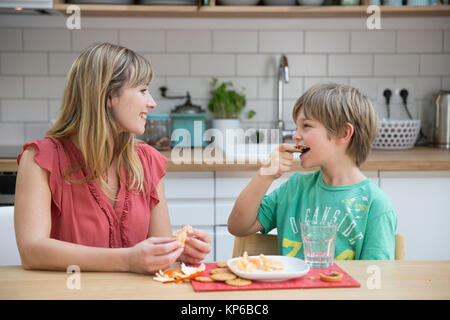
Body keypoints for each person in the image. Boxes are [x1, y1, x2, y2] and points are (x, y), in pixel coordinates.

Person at [14, 42, 211, 274]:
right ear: (108, 95)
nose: (152, 102)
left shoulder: (147, 161)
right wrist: (127, 260)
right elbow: (32, 251)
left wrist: (179, 251)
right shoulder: (41, 159)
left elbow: (157, 253)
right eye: (142, 90)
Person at [228, 83, 397, 260]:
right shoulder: (294, 188)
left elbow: (378, 278)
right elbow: (238, 227)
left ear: (343, 133)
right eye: (296, 126)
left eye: (306, 125)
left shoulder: (376, 205)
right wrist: (265, 175)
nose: (295, 135)